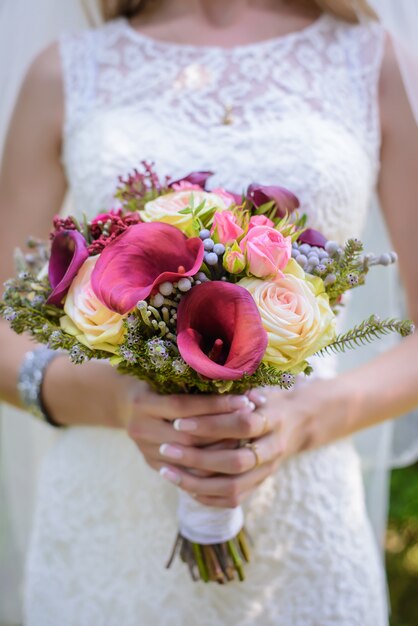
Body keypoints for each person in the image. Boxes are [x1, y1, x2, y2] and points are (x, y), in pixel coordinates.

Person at [0, 0, 417, 624]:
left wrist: (304, 419)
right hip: (108, 529)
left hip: (303, 519)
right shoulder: (65, 72)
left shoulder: (373, 61)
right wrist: (113, 401)